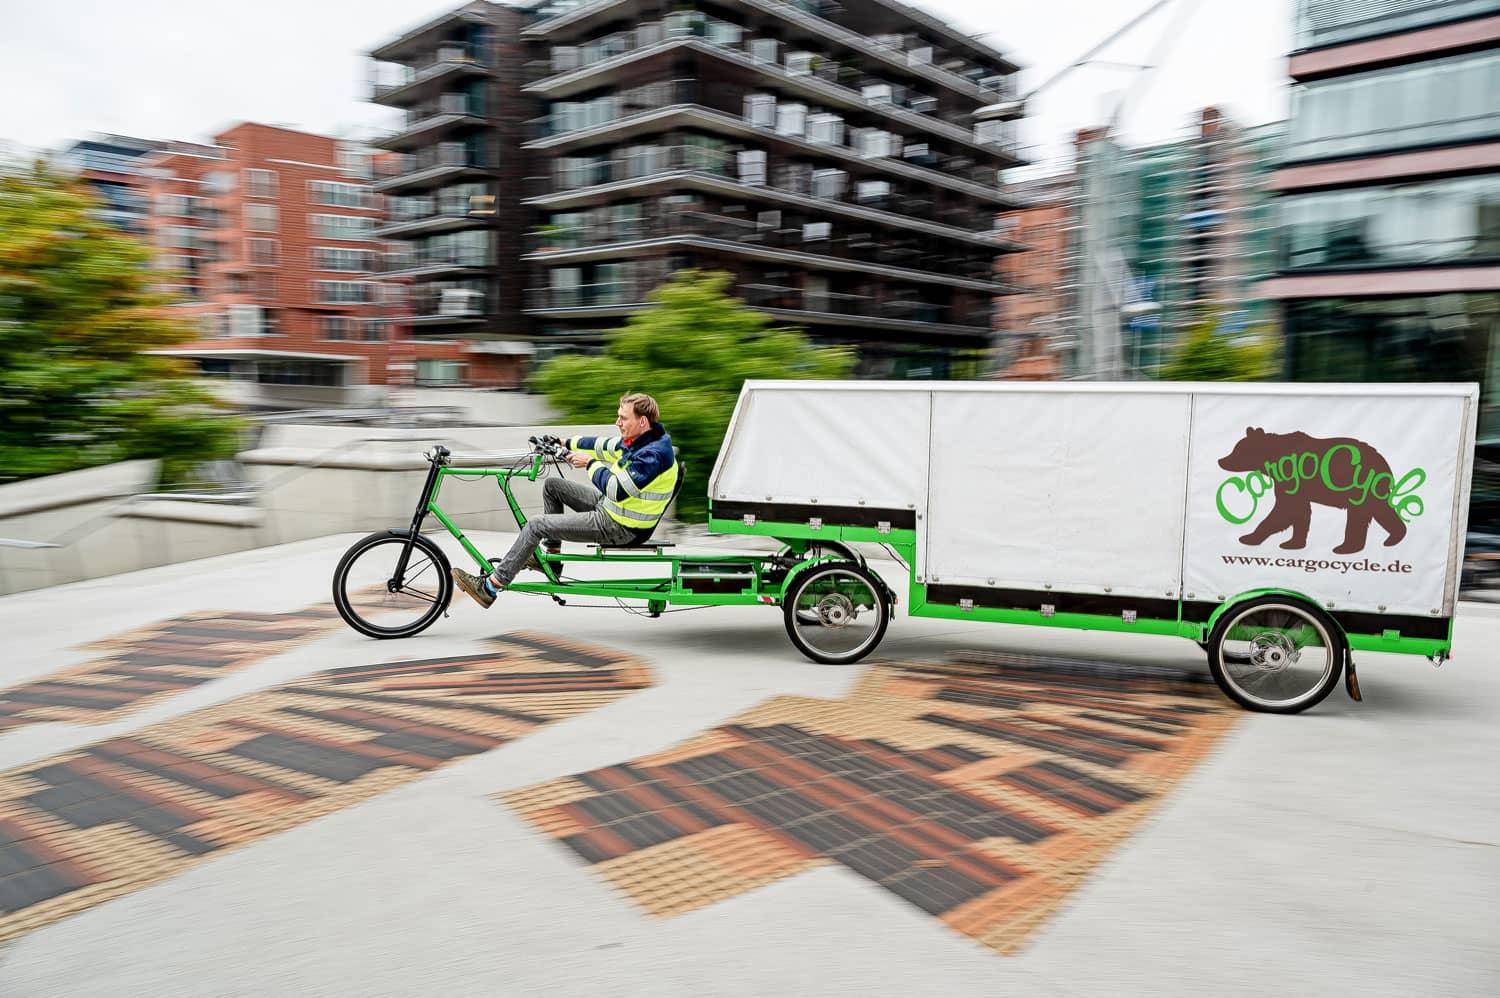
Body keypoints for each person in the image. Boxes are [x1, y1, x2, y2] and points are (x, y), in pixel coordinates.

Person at [451, 392, 678, 608]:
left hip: (621, 526)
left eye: (623, 418)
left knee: (536, 525)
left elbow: (616, 491)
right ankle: (552, 561)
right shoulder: (638, 441)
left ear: (642, 421)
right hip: (614, 509)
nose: (617, 422)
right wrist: (563, 442)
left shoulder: (652, 456)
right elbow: (601, 445)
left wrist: (589, 464)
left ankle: (490, 587)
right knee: (553, 486)